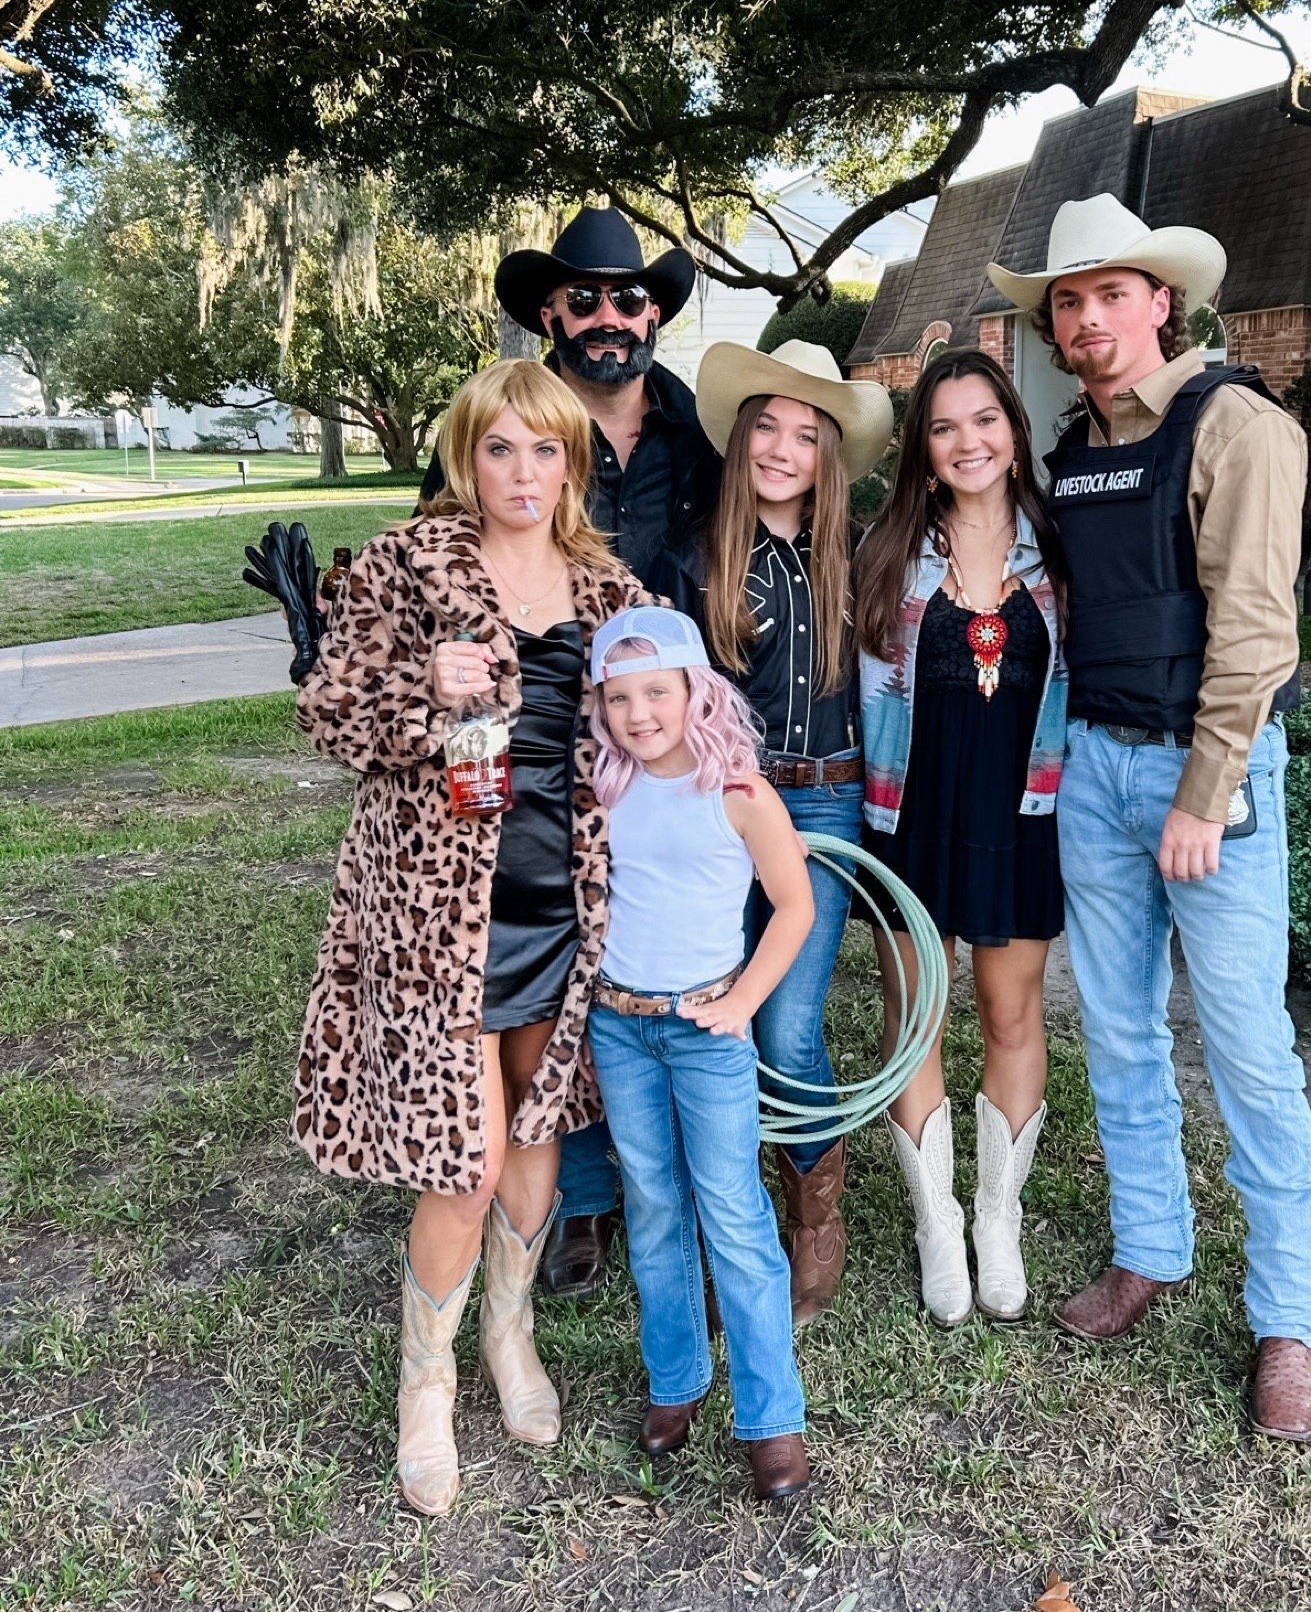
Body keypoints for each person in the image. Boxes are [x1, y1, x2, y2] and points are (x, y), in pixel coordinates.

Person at [988, 193, 1311, 1442]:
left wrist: (1206, 790)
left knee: (1245, 1043)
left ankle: (1291, 1319)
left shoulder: (1236, 424)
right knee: (1121, 1031)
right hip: (1095, 767)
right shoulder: (1075, 444)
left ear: (1160, 302)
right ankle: (1151, 1247)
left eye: (1106, 294)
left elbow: (1254, 628)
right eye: (1066, 302)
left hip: (1208, 779)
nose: (1084, 318)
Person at [294, 358, 652, 1516]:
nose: (523, 471)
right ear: (466, 456)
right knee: (467, 1157)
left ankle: (510, 1333)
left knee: (539, 1126)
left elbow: (667, 728)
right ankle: (425, 1384)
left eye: (545, 449)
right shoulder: (409, 564)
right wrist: (421, 691)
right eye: (500, 447)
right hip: (444, 911)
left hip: (565, 901)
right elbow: (327, 712)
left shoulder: (608, 586)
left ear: (571, 460)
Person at [423, 206, 722, 1300]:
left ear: (654, 313)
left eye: (628, 297)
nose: (607, 316)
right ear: (549, 311)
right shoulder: (505, 433)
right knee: (573, 977)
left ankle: (688, 1184)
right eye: (583, 297)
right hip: (542, 753)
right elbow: (437, 584)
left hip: (669, 735)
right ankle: (583, 1203)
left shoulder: (701, 439)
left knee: (665, 956)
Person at [660, 339, 894, 1327]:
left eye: (807, 433)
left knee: (788, 1023)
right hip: (729, 805)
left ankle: (816, 1209)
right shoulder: (692, 554)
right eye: (768, 426)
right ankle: (737, 1215)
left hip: (829, 803)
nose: (784, 447)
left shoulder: (864, 550)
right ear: (741, 436)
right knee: (724, 1010)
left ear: (828, 455)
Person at [854, 350, 1068, 1327]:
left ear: (1014, 429)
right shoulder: (887, 553)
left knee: (1011, 1010)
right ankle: (937, 1221)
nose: (968, 440)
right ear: (923, 449)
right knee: (918, 1019)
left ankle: (998, 1218)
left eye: (985, 419)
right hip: (911, 811)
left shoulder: (1059, 554)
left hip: (1025, 809)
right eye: (945, 426)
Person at [585, 607, 815, 1502]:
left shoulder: (739, 793)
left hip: (705, 1029)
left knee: (734, 1211)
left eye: (656, 693)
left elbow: (792, 906)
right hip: (620, 1025)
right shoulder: (605, 791)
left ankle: (771, 1417)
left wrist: (744, 1003)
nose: (638, 714)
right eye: (618, 698)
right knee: (651, 1201)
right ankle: (675, 1380)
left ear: (694, 693)